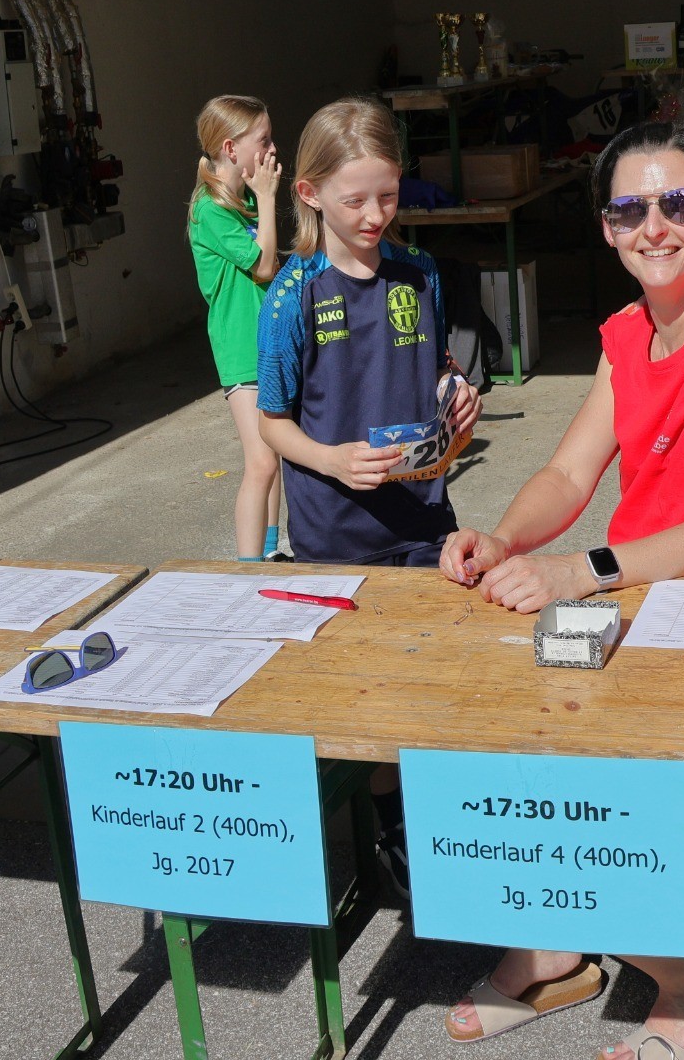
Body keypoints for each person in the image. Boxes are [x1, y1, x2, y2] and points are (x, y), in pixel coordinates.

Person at [436, 121, 684, 1060]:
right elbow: (568, 475)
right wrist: (502, 536)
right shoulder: (626, 335)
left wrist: (575, 571)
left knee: (577, 759)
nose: (656, 226)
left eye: (680, 203)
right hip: (648, 600)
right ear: (606, 228)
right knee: (480, 717)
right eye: (630, 208)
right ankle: (554, 945)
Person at [256, 96, 483, 888]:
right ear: (311, 193)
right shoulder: (293, 295)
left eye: (387, 194)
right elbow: (273, 422)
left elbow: (436, 369)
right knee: (370, 696)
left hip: (424, 518)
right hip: (335, 533)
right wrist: (326, 460)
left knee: (435, 677)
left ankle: (445, 824)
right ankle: (391, 830)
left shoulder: (418, 273)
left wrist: (457, 391)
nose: (376, 214)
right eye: (355, 199)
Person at [187, 94, 287, 561]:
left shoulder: (241, 198)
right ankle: (247, 571)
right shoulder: (211, 210)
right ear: (231, 148)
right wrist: (268, 198)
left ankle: (268, 553)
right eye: (262, 139)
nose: (271, 148)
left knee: (278, 456)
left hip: (266, 344)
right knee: (261, 460)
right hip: (240, 349)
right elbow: (264, 266)